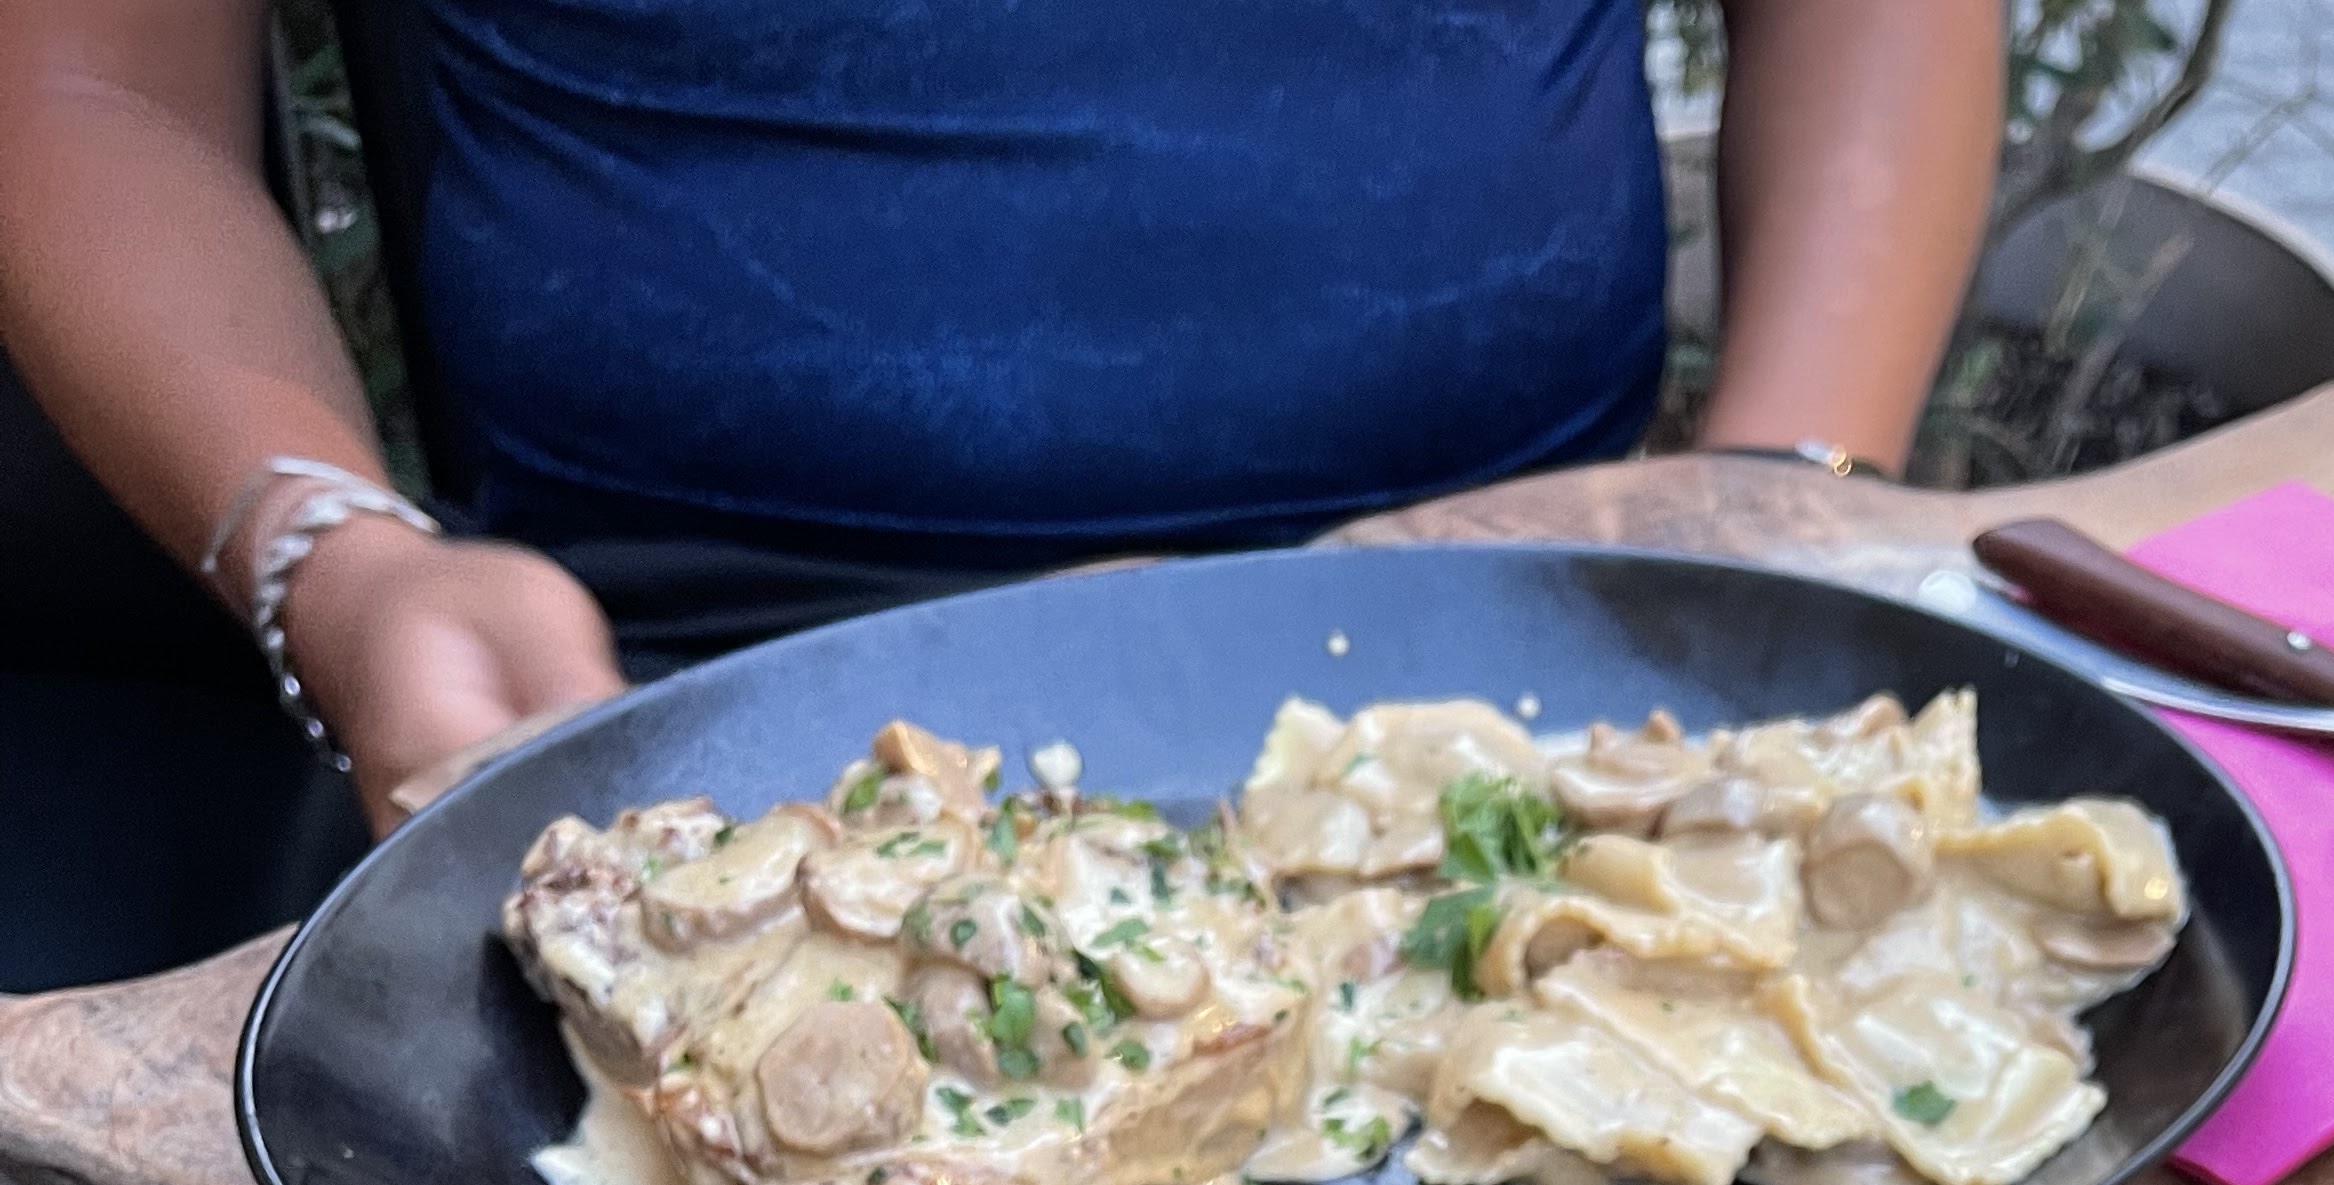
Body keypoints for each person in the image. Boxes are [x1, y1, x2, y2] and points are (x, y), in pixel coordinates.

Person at [0, 0, 2004, 825]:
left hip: (1553, 663)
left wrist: (1781, 499)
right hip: (688, 711)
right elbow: (91, 87)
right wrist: (335, 561)